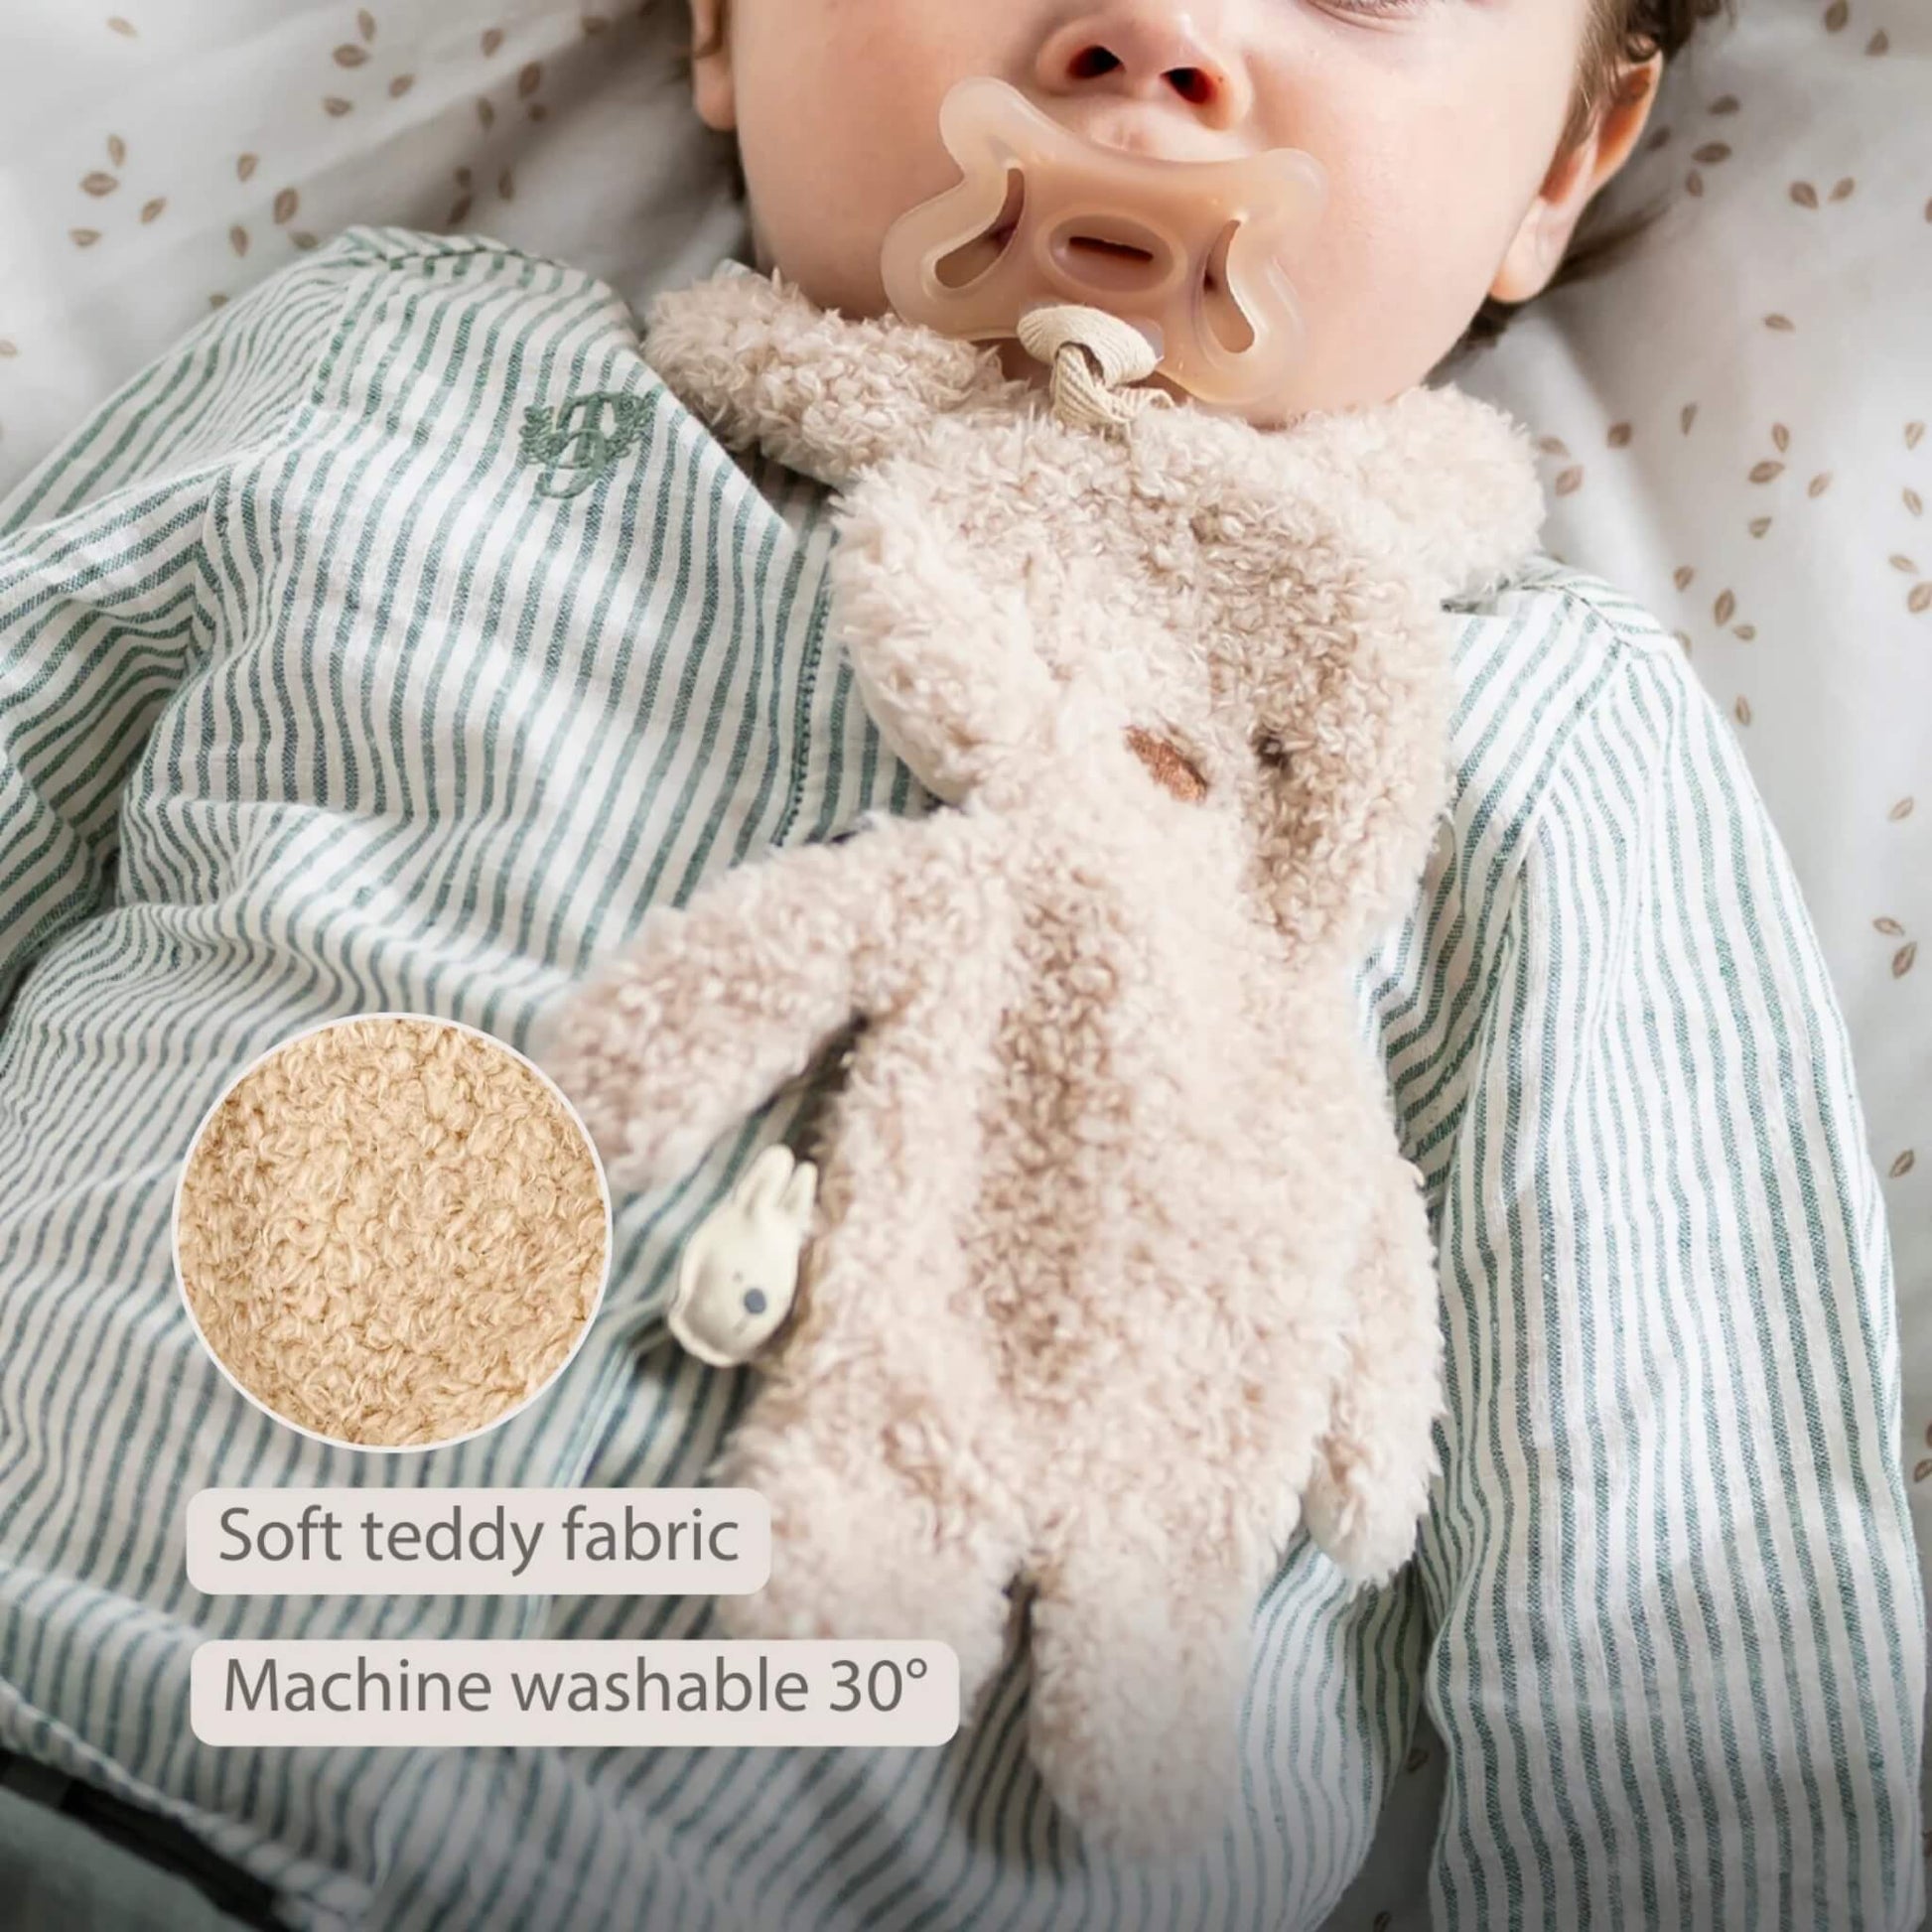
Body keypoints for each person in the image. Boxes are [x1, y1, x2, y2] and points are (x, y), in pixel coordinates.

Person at [0, 1, 1921, 1928]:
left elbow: (1693, 1615)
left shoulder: (1540, 737)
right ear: (724, 29)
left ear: (1558, 173)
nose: (1157, 36)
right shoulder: (386, 387)